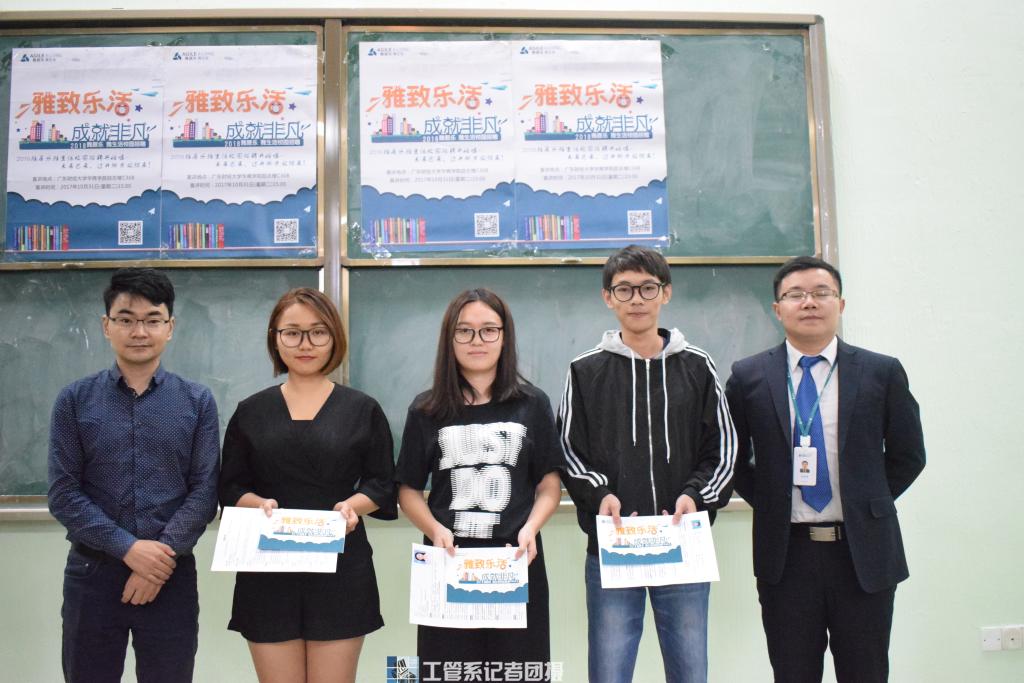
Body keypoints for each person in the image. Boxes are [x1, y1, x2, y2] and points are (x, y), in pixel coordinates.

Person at [725, 256, 926, 683]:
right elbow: (733, 457)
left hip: (862, 553)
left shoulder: (881, 371)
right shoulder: (748, 376)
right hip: (787, 556)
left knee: (866, 672)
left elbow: (909, 454)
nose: (809, 303)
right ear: (777, 308)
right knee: (793, 673)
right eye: (795, 295)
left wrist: (866, 502)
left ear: (841, 303)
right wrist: (772, 502)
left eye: (821, 293)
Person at [557, 245, 736, 683]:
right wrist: (600, 494)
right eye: (624, 289)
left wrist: (696, 496)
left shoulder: (698, 366)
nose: (636, 299)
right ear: (608, 297)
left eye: (647, 288)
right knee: (610, 671)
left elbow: (723, 449)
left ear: (665, 293)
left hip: (683, 543)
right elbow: (567, 449)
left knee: (690, 670)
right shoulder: (585, 370)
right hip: (614, 545)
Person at [48, 267, 220, 683]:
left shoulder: (197, 400)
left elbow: (204, 491)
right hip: (93, 573)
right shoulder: (74, 400)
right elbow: (63, 493)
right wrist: (129, 549)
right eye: (126, 319)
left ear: (170, 327)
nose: (139, 331)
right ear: (106, 326)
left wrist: (157, 560)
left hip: (170, 575)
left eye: (152, 319)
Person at [218, 287, 396, 683]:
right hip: (267, 565)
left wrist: (353, 506)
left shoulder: (362, 408)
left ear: (334, 338)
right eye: (292, 332)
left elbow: (382, 483)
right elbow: (229, 486)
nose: (305, 344)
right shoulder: (251, 411)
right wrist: (257, 503)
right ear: (275, 338)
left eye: (318, 332)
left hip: (340, 566)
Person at [396, 288, 563, 679]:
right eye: (465, 331)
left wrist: (531, 527)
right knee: (447, 671)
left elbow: (549, 483)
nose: (477, 341)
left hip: (516, 561)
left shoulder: (532, 403)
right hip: (448, 562)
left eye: (489, 330)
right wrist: (434, 529)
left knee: (518, 671)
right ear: (450, 338)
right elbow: (407, 489)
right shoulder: (426, 409)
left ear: (504, 337)